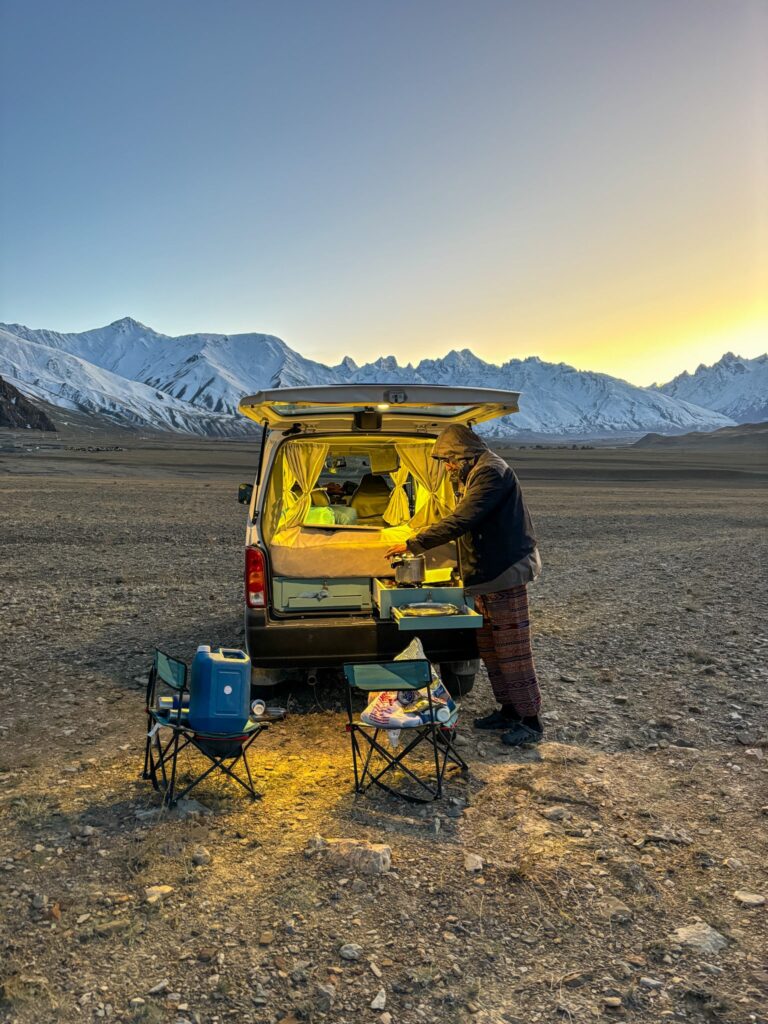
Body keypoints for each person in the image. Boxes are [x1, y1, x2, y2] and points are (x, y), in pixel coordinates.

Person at [385, 424, 543, 745]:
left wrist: (413, 544)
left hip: (505, 572)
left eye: (449, 461)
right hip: (486, 577)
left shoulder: (491, 473)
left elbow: (462, 520)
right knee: (491, 648)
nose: (447, 468)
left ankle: (530, 720)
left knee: (512, 649)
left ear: (463, 455)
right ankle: (509, 710)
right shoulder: (474, 473)